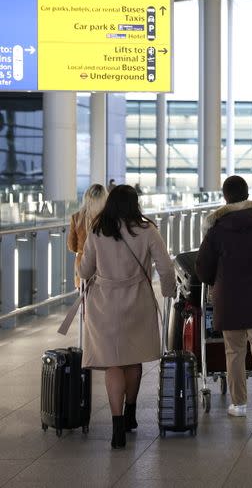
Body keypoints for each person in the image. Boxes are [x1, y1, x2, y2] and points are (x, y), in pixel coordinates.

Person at [78, 185, 176, 449]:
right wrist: (170, 292)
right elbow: (166, 267)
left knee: (113, 363)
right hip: (138, 301)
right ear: (135, 204)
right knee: (132, 360)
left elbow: (85, 269)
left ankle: (117, 426)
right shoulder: (147, 230)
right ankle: (131, 412)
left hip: (105, 304)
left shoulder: (98, 230)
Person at [196, 176, 252, 429]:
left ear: (225, 197)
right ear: (248, 194)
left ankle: (238, 404)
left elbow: (203, 269)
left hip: (229, 300)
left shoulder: (216, 228)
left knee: (234, 352)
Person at [67, 184, 107, 288]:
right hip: (104, 268)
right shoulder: (108, 219)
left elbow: (72, 247)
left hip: (83, 267)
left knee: (84, 299)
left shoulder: (76, 217)